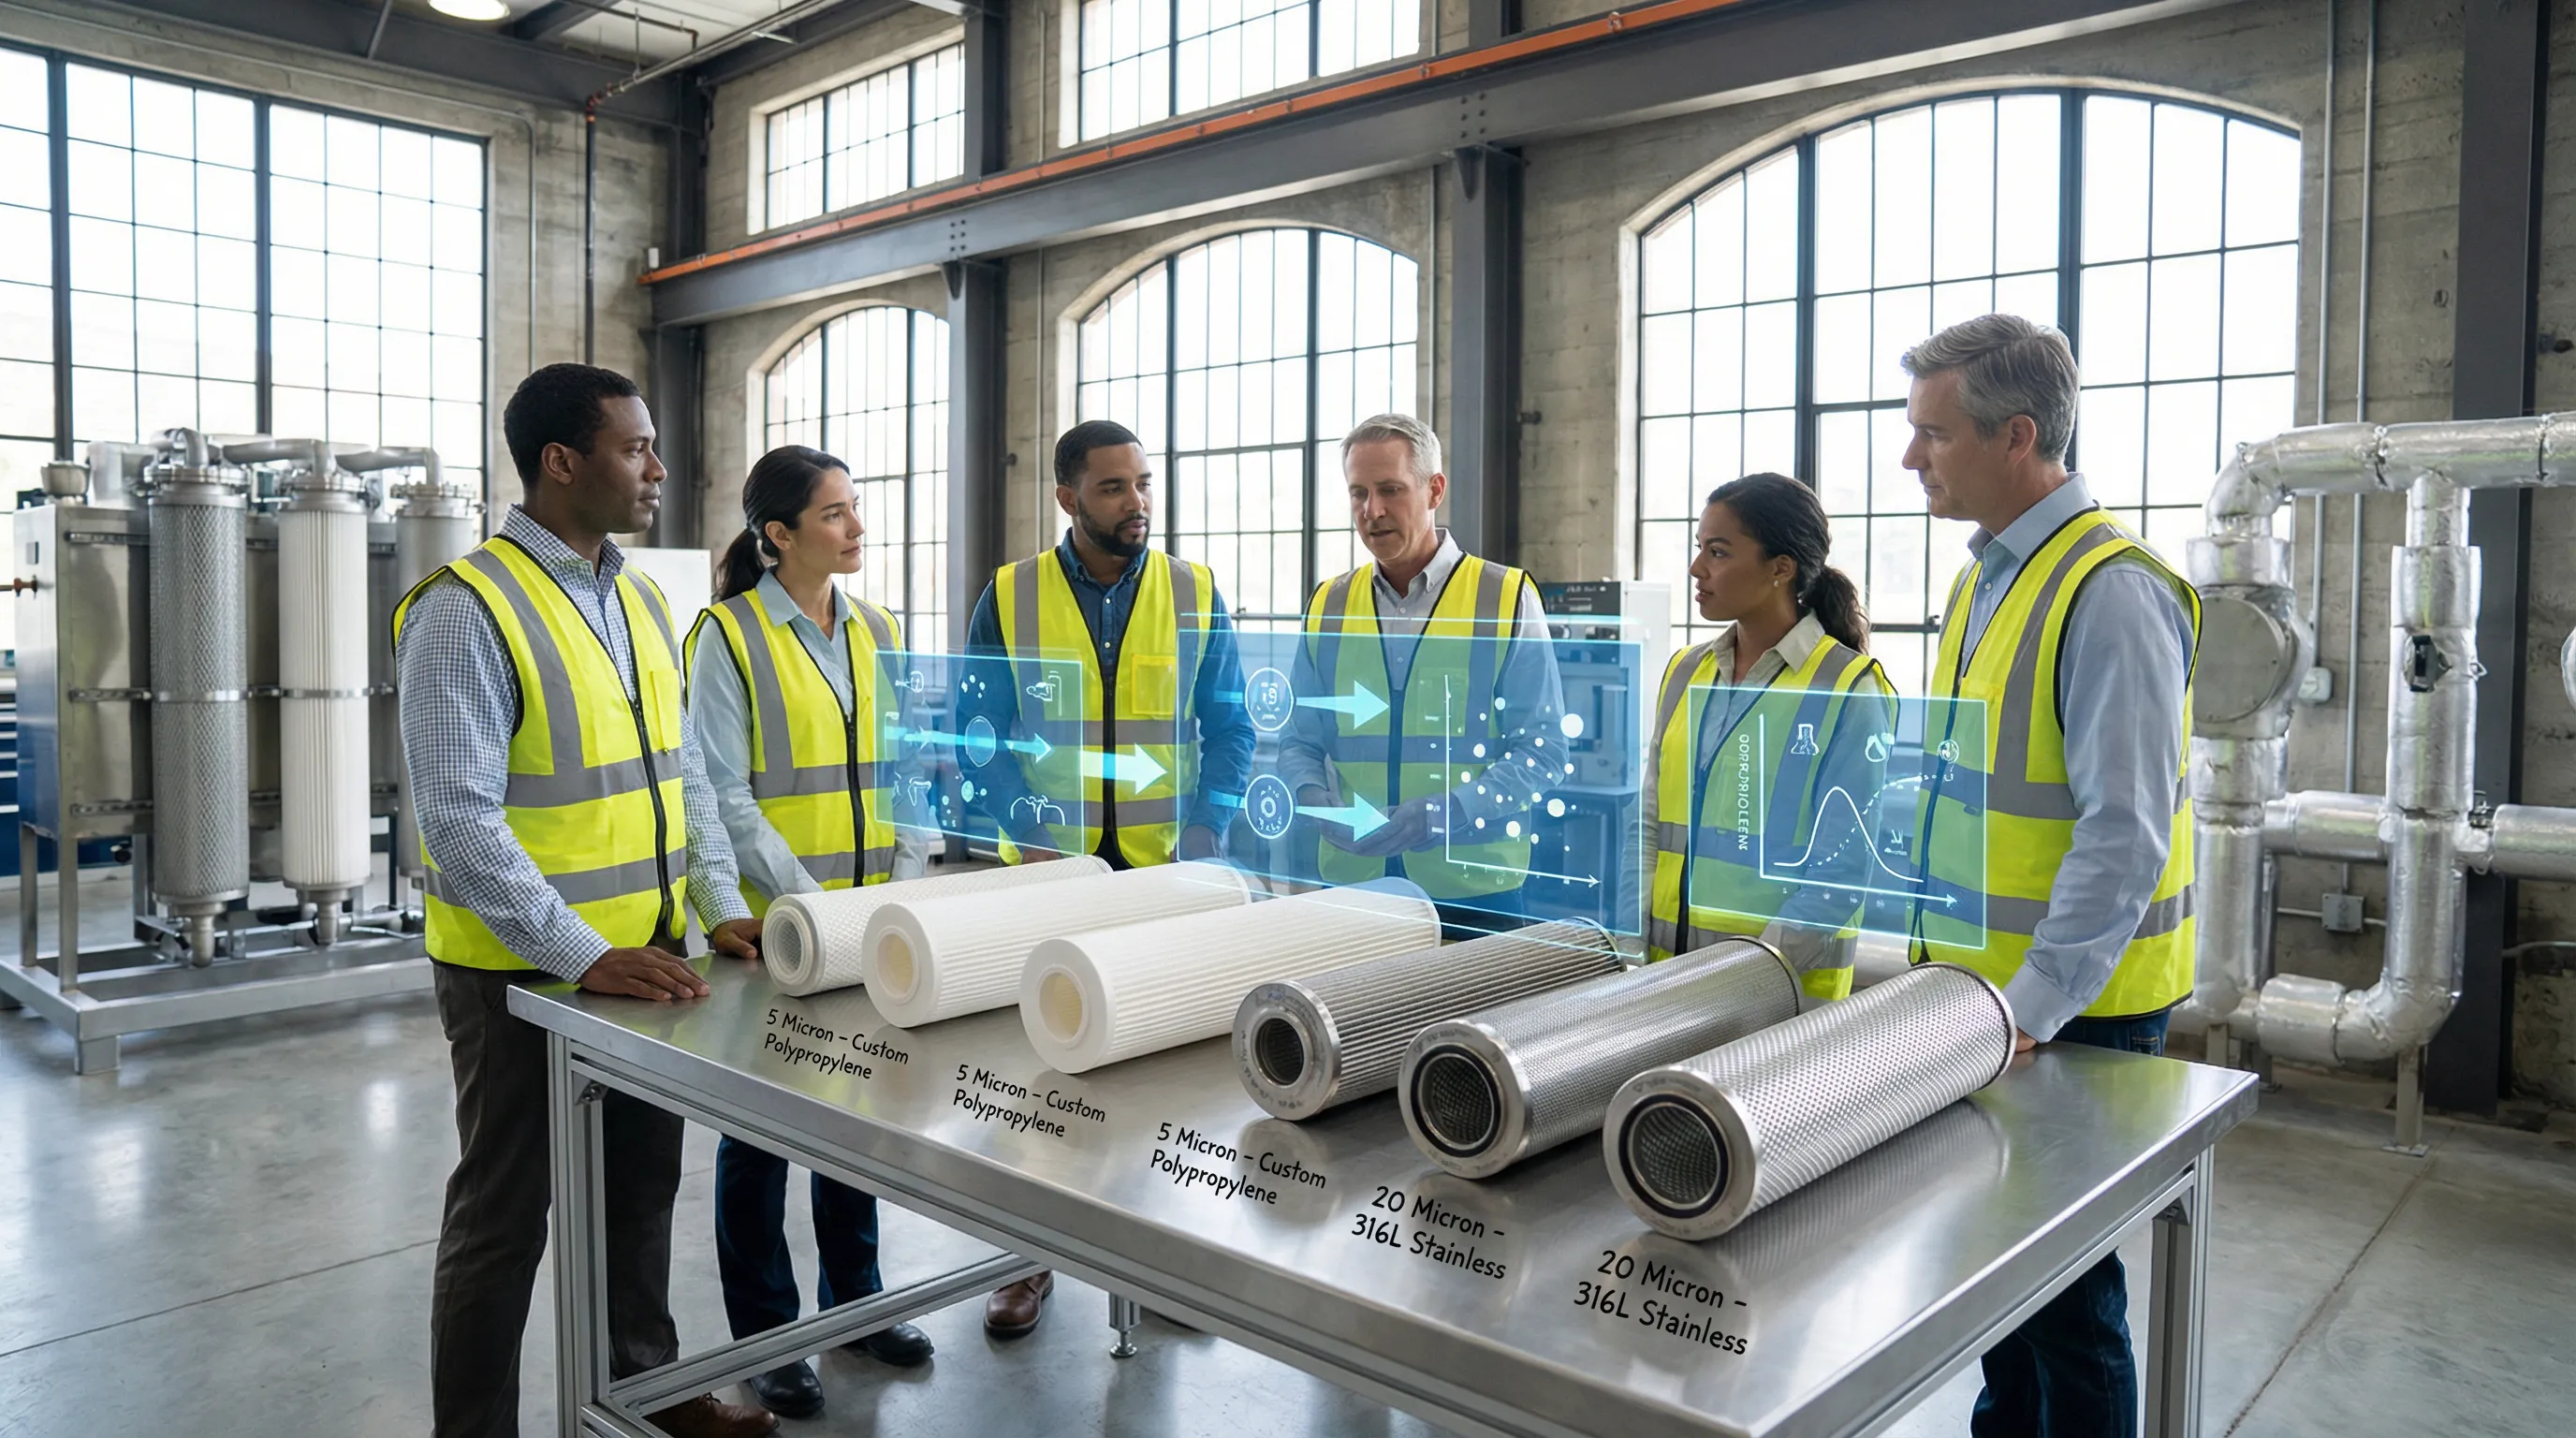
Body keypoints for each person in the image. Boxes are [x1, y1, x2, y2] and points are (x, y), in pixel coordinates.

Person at [394, 363, 777, 1438]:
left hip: (646, 958)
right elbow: (460, 822)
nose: (657, 467)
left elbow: (681, 773)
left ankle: (647, 1396)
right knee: (504, 1217)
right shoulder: (466, 609)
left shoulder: (645, 598)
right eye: (633, 447)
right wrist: (575, 952)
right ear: (562, 463)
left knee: (639, 1195)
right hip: (516, 974)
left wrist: (712, 905)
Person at [1899, 314, 2200, 1438]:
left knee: (2068, 1302)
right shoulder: (1986, 581)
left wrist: (2030, 1006)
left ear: (2015, 434)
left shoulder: (2110, 592)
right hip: (1985, 994)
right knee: (2000, 1276)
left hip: (2072, 1007)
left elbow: (2123, 831)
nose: (1910, 456)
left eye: (1931, 433)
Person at [957, 418, 1256, 1335]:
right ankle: (1026, 1261)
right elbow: (981, 737)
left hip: (1165, 873)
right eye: (1113, 488)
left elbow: (1233, 727)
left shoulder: (1195, 591)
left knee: (1163, 1081)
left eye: (1142, 484)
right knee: (1038, 1073)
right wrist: (1026, 831)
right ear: (1066, 497)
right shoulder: (1009, 596)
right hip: (1050, 877)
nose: (1136, 505)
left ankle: (1160, 1269)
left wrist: (1210, 824)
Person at [683, 446, 938, 1419]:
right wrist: (810, 908)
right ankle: (770, 1338)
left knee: (853, 1115)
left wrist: (903, 890)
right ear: (778, 534)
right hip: (784, 931)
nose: (857, 528)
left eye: (856, 508)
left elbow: (911, 768)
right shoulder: (728, 637)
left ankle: (858, 1307)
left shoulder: (877, 628)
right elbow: (722, 795)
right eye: (835, 515)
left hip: (877, 921)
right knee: (760, 1136)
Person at [1277, 414, 1569, 937]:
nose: (1373, 511)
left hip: (1476, 894)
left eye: (1390, 490)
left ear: (1434, 490)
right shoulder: (1329, 604)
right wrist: (1311, 800)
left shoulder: (1504, 598)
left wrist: (1444, 814)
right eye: (1358, 493)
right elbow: (1299, 739)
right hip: (1353, 887)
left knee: (1472, 1023)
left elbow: (1544, 752)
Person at [1635, 474, 1895, 999]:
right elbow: (1648, 824)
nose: (1696, 568)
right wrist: (1632, 948)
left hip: (1782, 1000)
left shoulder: (1847, 688)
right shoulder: (1686, 671)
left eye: (1719, 552)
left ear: (1781, 568)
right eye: (1699, 548)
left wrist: (1750, 978)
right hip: (1663, 986)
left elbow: (1841, 873)